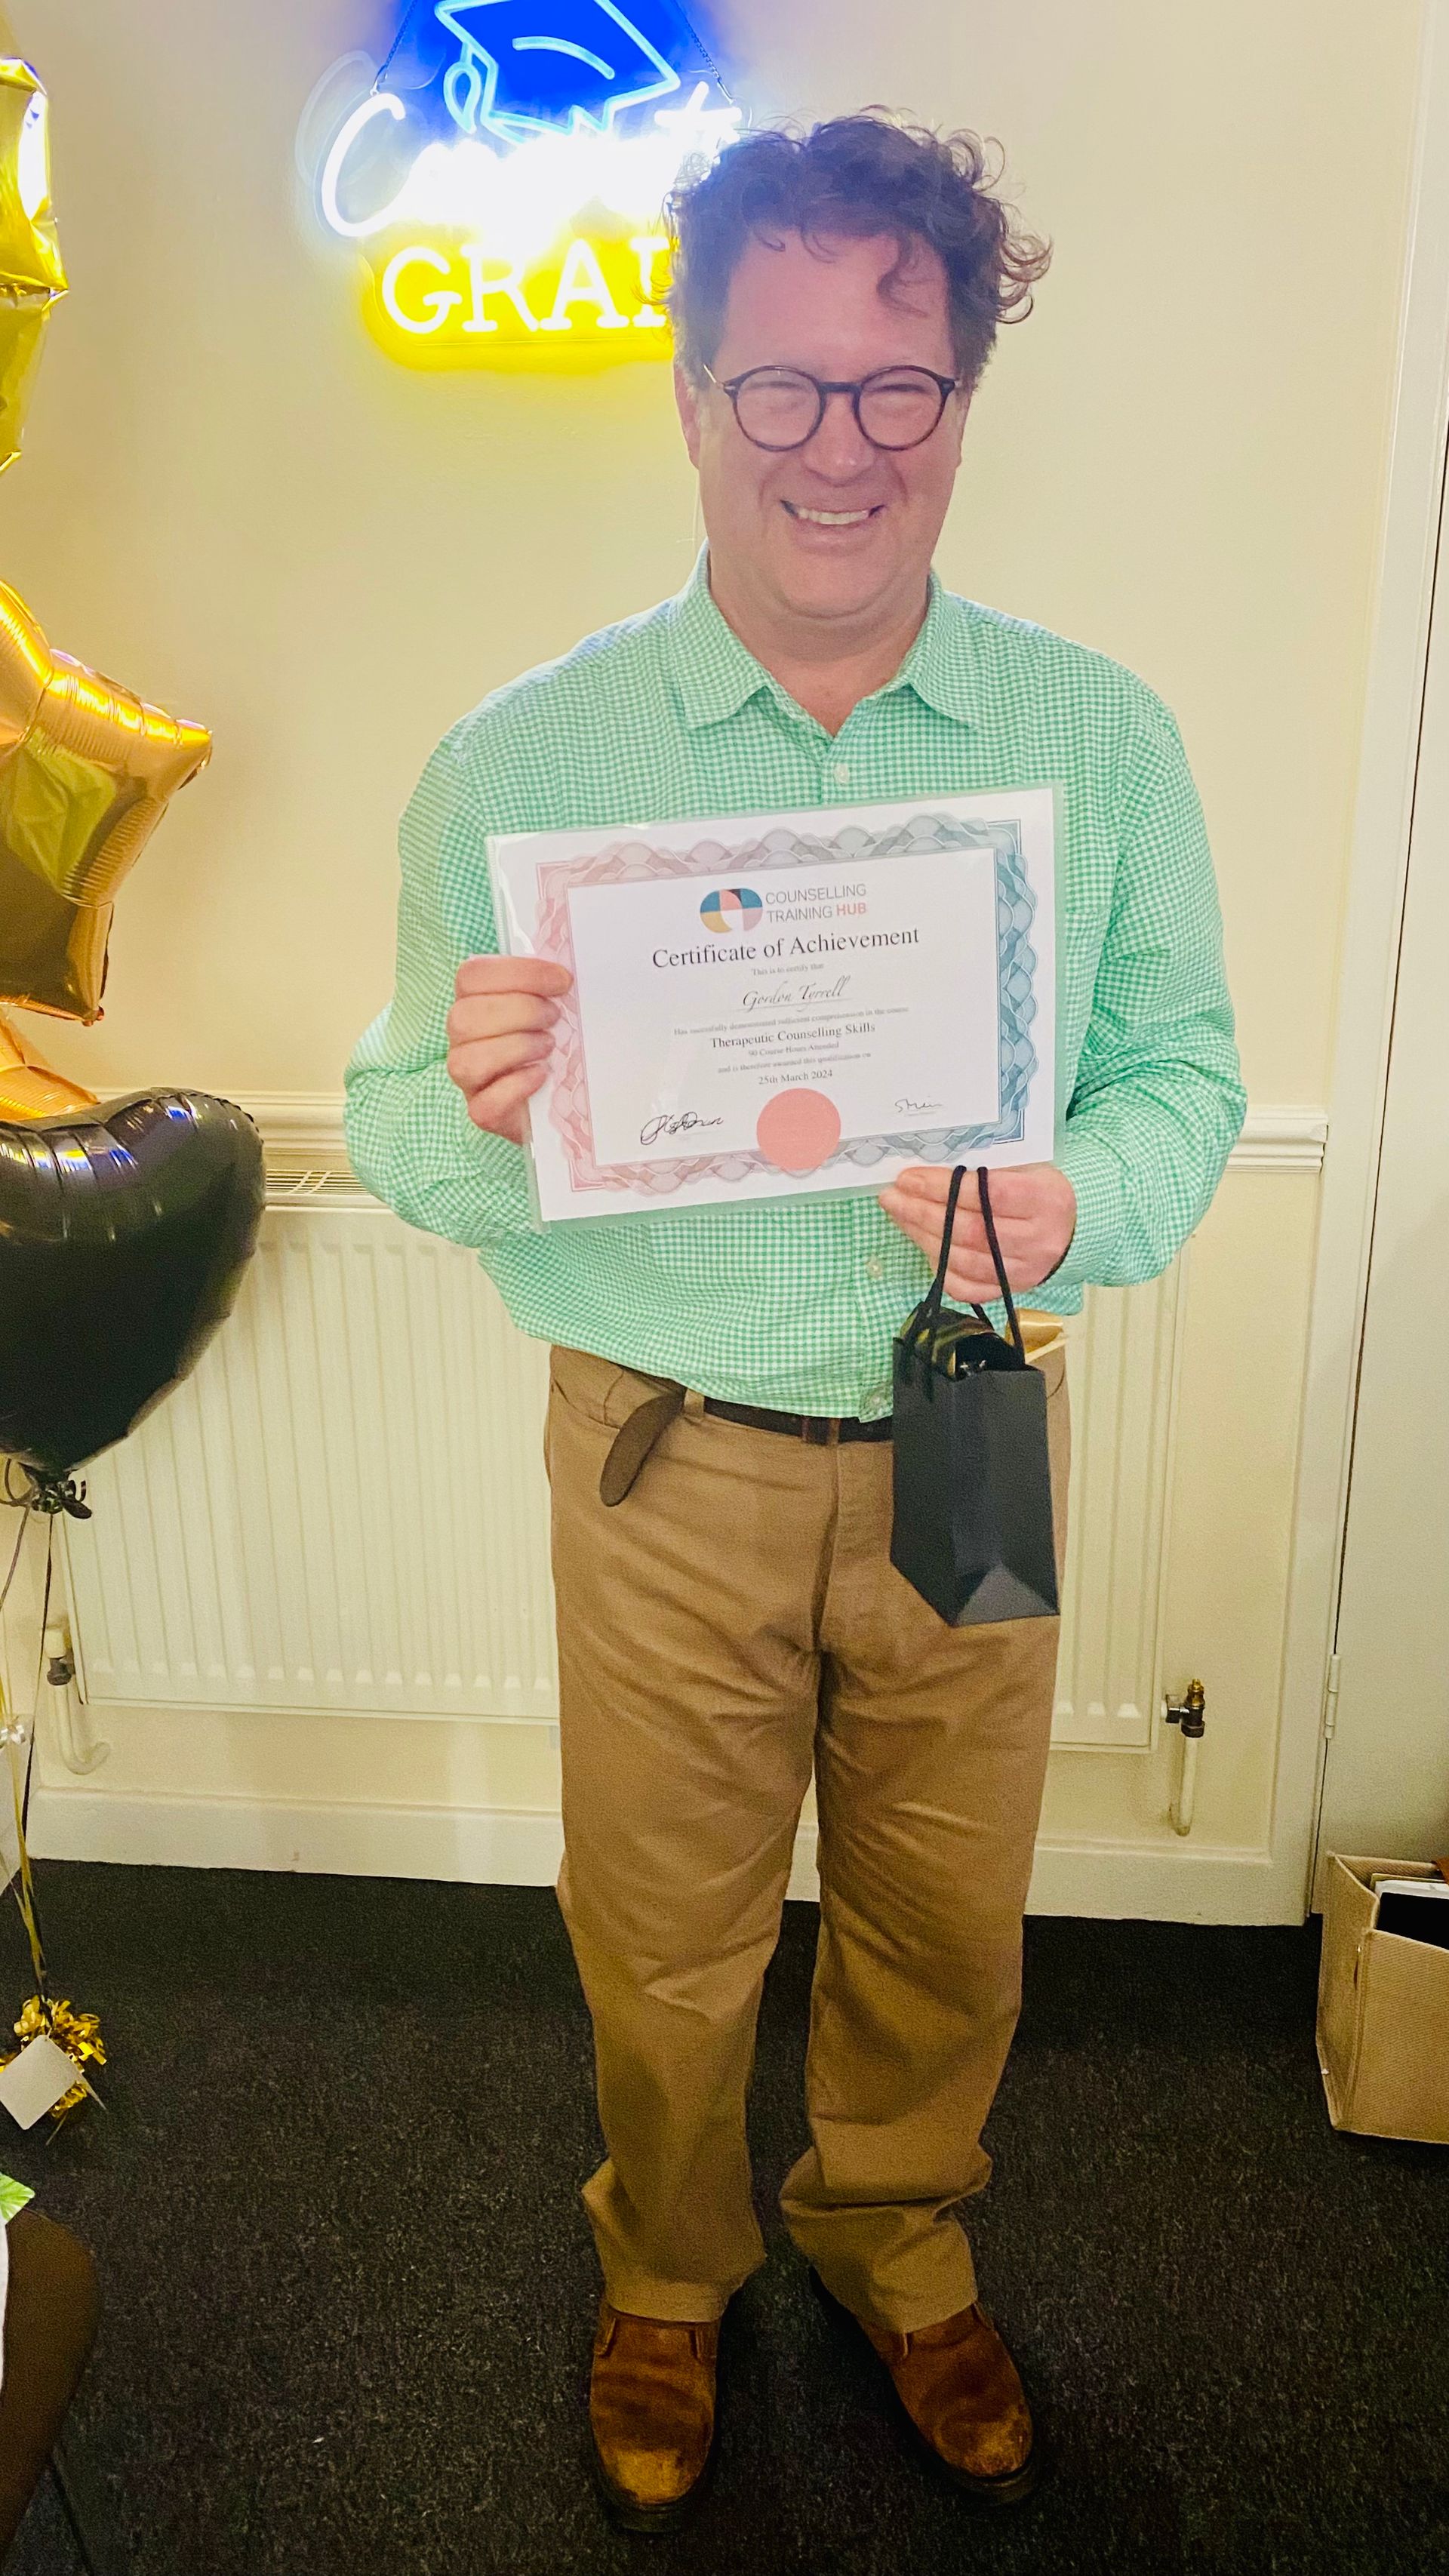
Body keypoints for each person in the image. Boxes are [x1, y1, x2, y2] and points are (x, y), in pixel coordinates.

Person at [345, 113, 1245, 2533]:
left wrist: (1085, 1200)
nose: (840, 448)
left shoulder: (1103, 738)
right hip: (664, 1452)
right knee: (661, 1939)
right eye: (785, 387)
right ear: (689, 384)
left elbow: (1183, 1077)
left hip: (970, 1427)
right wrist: (471, 1098)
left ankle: (894, 2232)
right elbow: (402, 1137)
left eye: (900, 388)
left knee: (952, 1916)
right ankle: (667, 2263)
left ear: (962, 398)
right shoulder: (520, 767)